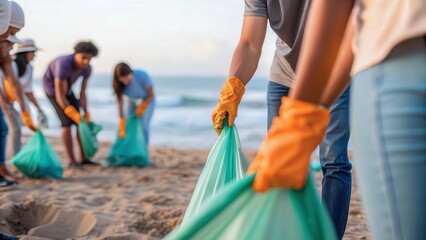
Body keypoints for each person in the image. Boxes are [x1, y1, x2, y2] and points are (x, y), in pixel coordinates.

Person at [247, 0, 426, 239]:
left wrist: (303, 113)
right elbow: (249, 42)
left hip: (394, 50)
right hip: (388, 49)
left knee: (332, 161)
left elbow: (339, 11)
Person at [211, 0, 351, 237]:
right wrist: (233, 88)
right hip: (284, 76)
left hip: (334, 70)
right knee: (281, 158)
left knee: (333, 160)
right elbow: (249, 43)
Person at [43, 41, 99, 168]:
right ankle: (72, 161)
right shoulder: (63, 64)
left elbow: (83, 93)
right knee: (67, 123)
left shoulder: (87, 69)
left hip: (67, 90)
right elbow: (59, 95)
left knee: (81, 123)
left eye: (89, 58)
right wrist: (71, 112)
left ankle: (84, 158)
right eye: (83, 57)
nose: (86, 61)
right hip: (53, 91)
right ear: (75, 54)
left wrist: (85, 112)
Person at [0, 0, 36, 189]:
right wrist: (5, 103)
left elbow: (14, 82)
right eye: (12, 34)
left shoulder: (4, 51)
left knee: (3, 129)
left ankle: (2, 169)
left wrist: (25, 111)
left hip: (7, 101)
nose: (12, 41)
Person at [2, 39, 46, 157]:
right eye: (33, 52)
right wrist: (23, 111)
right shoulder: (10, 65)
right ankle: (15, 159)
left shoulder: (29, 69)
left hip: (10, 102)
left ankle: (14, 157)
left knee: (16, 127)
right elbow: (13, 87)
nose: (35, 55)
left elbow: (28, 91)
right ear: (25, 52)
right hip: (3, 100)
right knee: (15, 127)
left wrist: (39, 109)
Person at [112, 62, 155, 144]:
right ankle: (130, 145)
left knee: (144, 124)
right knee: (128, 123)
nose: (125, 81)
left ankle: (143, 147)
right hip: (132, 100)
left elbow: (151, 95)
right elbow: (120, 103)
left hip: (147, 100)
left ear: (131, 73)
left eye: (127, 77)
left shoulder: (142, 76)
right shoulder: (118, 84)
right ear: (118, 78)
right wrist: (121, 119)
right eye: (122, 78)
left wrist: (143, 106)